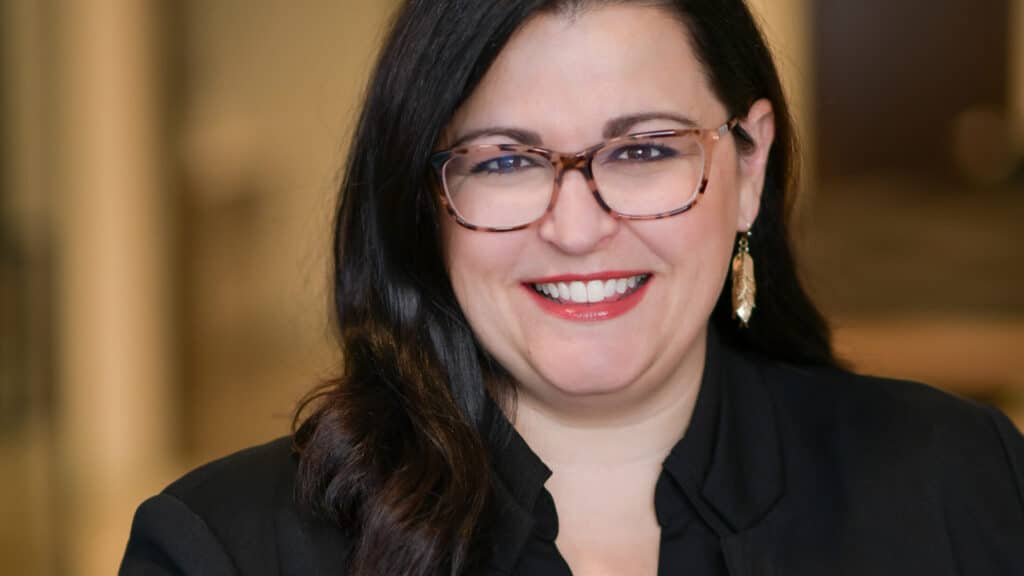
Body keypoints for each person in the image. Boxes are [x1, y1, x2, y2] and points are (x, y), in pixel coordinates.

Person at [120, 0, 1024, 574]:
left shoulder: (965, 484)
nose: (578, 226)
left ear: (748, 166)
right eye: (507, 160)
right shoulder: (221, 548)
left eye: (641, 150)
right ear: (425, 197)